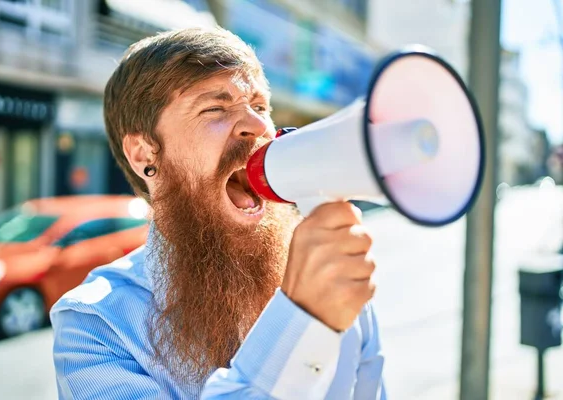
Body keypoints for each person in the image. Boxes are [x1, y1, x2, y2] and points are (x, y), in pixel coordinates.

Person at [50, 27, 386, 399]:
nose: (260, 128)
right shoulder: (95, 325)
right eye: (216, 108)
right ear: (144, 153)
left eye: (260, 107)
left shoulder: (328, 277)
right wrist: (303, 319)